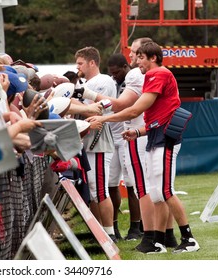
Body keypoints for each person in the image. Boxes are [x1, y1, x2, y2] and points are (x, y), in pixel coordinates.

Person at [87, 41, 200, 254]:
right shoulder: (151, 76)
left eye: (140, 57)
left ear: (153, 58)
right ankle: (157, 241)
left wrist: (104, 119)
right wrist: (138, 132)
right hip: (156, 136)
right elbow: (158, 116)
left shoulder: (159, 74)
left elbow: (134, 110)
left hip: (165, 139)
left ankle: (189, 238)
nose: (136, 61)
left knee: (165, 191)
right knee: (156, 192)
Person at [74, 46, 117, 241]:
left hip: (98, 140)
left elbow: (99, 111)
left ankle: (109, 233)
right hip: (87, 140)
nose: (77, 67)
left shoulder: (103, 81)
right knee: (92, 190)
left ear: (92, 62)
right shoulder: (85, 83)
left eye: (80, 63)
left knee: (100, 189)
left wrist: (71, 102)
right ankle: (99, 232)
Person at [106, 53, 142, 241]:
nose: (114, 76)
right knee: (111, 182)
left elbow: (122, 105)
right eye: (111, 73)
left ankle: (136, 226)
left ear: (126, 67)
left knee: (131, 182)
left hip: (129, 134)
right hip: (112, 135)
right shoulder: (111, 83)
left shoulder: (134, 81)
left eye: (116, 72)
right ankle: (113, 227)